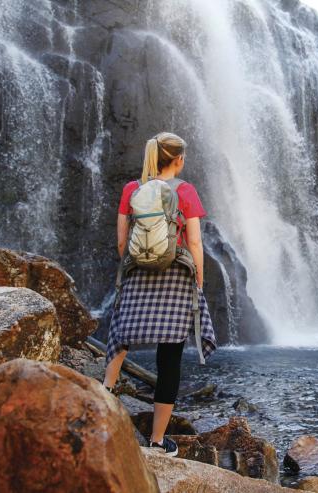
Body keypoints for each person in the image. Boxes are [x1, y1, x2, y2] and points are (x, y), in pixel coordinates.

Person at [103, 132, 216, 456]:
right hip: (177, 276)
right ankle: (155, 441)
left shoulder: (132, 189)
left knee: (121, 336)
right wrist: (199, 282)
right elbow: (194, 242)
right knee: (169, 359)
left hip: (138, 273)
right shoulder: (186, 191)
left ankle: (102, 397)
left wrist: (133, 266)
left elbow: (122, 241)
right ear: (178, 160)